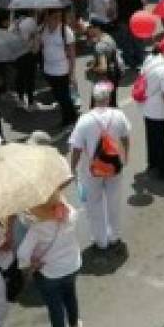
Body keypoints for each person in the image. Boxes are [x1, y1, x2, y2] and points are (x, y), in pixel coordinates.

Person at [68, 81, 130, 250]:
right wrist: (125, 156)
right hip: (114, 167)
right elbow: (125, 137)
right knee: (114, 202)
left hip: (90, 171)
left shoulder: (84, 120)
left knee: (93, 205)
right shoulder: (118, 115)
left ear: (93, 99)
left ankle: (100, 241)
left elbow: (77, 148)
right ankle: (114, 236)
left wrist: (71, 168)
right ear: (109, 98)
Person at [17, 193, 82, 327]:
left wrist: (31, 263)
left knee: (55, 306)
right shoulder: (71, 214)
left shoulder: (37, 228)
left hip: (50, 273)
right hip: (72, 265)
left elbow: (22, 254)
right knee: (70, 296)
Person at [139, 38, 164, 180]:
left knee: (151, 137)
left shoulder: (150, 60)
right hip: (158, 109)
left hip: (146, 105)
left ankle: (153, 163)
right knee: (161, 141)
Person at [38, 10, 78, 128]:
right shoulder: (42, 29)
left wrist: (72, 73)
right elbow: (36, 49)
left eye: (59, 17)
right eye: (54, 17)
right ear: (47, 17)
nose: (57, 20)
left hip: (62, 69)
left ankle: (70, 119)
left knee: (64, 96)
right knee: (58, 96)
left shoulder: (65, 31)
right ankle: (68, 117)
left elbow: (72, 54)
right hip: (48, 69)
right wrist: (35, 37)